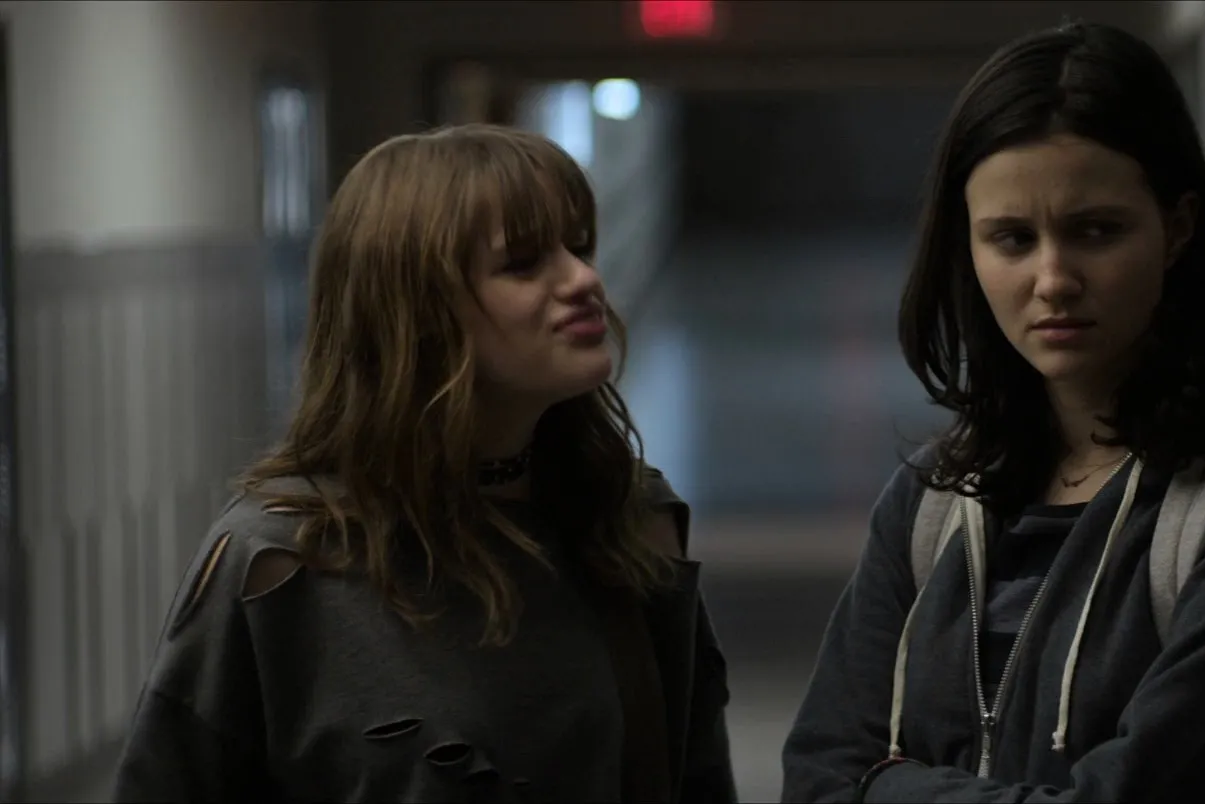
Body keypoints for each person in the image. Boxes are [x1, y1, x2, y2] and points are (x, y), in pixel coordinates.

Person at [782, 21, 1205, 804]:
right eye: (1012, 239)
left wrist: (889, 788)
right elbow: (818, 777)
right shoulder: (929, 503)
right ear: (966, 248)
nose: (1053, 278)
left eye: (1096, 231)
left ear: (1177, 228)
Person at [111, 124, 737, 804]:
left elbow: (693, 781)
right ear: (419, 311)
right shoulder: (282, 557)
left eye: (579, 247)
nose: (584, 278)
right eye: (523, 262)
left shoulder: (629, 521)